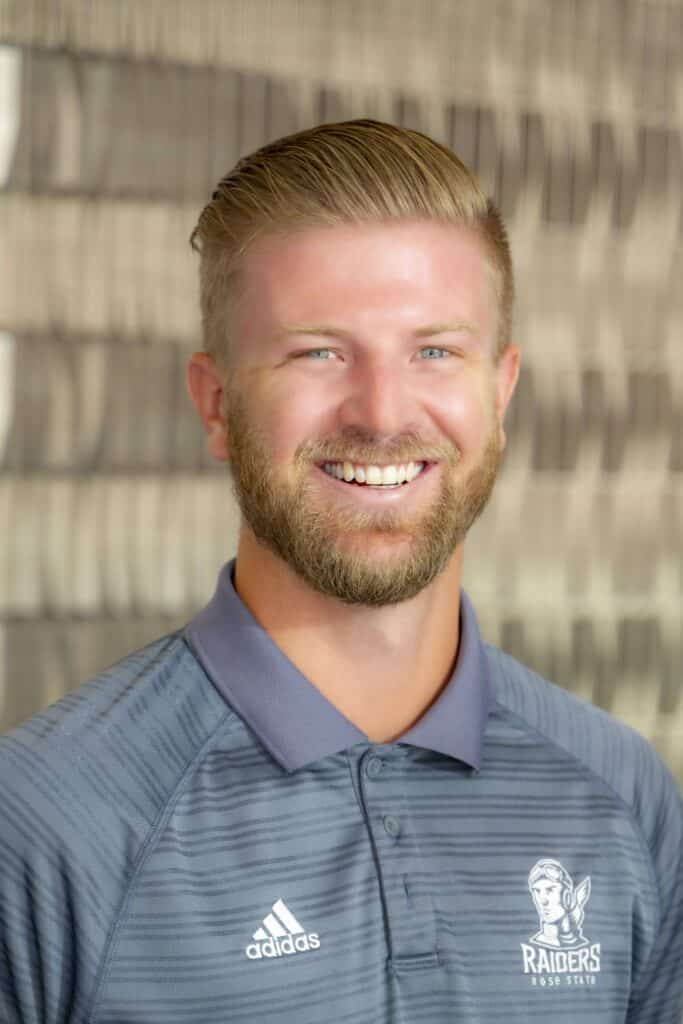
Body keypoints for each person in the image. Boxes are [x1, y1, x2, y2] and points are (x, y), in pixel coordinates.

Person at [1, 119, 681, 1024]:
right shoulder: (47, 820)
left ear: (500, 391)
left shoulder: (621, 794)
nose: (381, 411)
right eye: (317, 351)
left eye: (434, 350)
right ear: (215, 404)